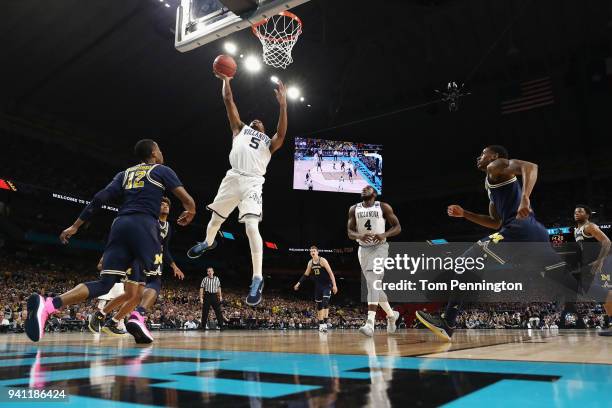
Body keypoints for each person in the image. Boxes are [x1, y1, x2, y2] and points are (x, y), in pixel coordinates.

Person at [24, 139, 196, 343]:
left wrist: (75, 225)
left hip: (120, 225)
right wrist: (191, 209)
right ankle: (138, 316)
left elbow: (99, 198)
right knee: (155, 280)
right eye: (159, 148)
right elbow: (186, 199)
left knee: (106, 284)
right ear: (153, 153)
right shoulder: (162, 170)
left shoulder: (123, 174)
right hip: (144, 225)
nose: (161, 152)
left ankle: (50, 304)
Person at [416, 145, 568, 341]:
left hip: (520, 230)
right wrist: (465, 214)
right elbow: (495, 222)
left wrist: (525, 198)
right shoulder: (492, 185)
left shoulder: (495, 166)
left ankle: (449, 321)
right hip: (534, 233)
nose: (478, 157)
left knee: (466, 262)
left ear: (494, 156)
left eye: (482, 153)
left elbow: (531, 167)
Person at [187, 72, 288, 307]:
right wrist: (226, 80)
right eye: (253, 121)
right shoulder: (239, 129)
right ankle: (206, 243)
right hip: (232, 178)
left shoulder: (269, 143)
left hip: (253, 182)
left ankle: (257, 278)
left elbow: (282, 134)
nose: (256, 122)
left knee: (252, 227)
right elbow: (228, 101)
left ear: (263, 130)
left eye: (260, 123)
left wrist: (283, 105)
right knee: (214, 222)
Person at [89, 197, 185, 343]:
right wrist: (105, 257)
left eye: (167, 205)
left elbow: (164, 249)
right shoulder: (148, 220)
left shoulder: (168, 226)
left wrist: (174, 265)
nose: (165, 206)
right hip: (137, 257)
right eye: (162, 203)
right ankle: (100, 315)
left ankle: (113, 321)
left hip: (153, 259)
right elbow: (124, 236)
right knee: (131, 293)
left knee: (138, 296)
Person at [347, 186, 402, 337]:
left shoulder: (383, 207)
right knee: (374, 286)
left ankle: (370, 323)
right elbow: (349, 232)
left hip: (380, 247)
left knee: (371, 282)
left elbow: (397, 227)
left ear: (374, 194)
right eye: (363, 188)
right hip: (363, 250)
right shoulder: (354, 209)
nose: (364, 189)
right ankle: (391, 315)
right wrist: (359, 235)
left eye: (368, 188)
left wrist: (383, 234)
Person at [574, 205, 612, 336]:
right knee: (602, 295)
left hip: (602, 263)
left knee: (605, 294)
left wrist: (600, 260)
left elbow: (607, 242)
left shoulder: (590, 226)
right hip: (590, 266)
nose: (576, 213)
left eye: (580, 211)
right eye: (575, 212)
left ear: (587, 215)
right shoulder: (576, 230)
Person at [294, 246, 338, 332]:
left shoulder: (323, 260)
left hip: (327, 285)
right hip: (318, 286)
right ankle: (321, 324)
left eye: (314, 251)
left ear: (317, 252)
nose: (312, 252)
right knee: (319, 306)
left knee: (325, 302)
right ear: (310, 253)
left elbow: (331, 273)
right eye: (311, 251)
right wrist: (298, 283)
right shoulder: (310, 263)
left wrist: (334, 285)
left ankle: (325, 323)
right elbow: (305, 275)